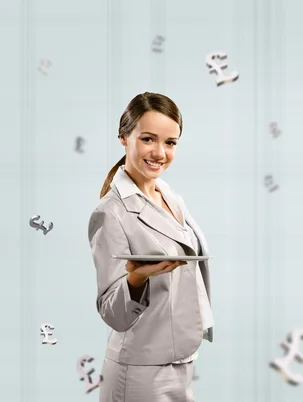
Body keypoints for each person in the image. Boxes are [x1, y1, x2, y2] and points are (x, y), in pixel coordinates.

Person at [88, 92, 214, 402]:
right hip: (140, 370)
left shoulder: (171, 197)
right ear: (124, 138)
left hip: (180, 360)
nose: (160, 152)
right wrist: (136, 278)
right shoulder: (110, 212)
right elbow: (111, 312)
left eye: (170, 143)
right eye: (148, 139)